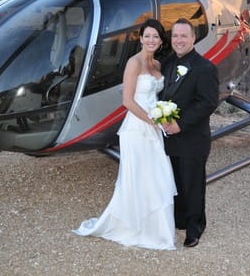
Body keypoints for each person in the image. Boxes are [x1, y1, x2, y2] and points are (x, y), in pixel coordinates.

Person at [73, 19, 177, 250]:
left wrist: (164, 117)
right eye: (147, 36)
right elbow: (128, 101)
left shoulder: (158, 65)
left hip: (155, 129)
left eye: (156, 37)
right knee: (138, 178)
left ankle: (159, 231)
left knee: (156, 176)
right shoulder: (134, 63)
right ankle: (136, 227)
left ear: (161, 41)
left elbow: (158, 98)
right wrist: (152, 120)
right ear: (140, 39)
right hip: (137, 129)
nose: (151, 40)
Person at [161, 18, 219, 248]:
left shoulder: (205, 68)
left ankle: (194, 229)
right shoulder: (167, 64)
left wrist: (180, 124)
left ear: (193, 38)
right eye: (175, 36)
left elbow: (207, 103)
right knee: (174, 183)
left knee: (192, 185)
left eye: (184, 36)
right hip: (169, 137)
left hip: (192, 138)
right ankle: (180, 221)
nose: (179, 40)